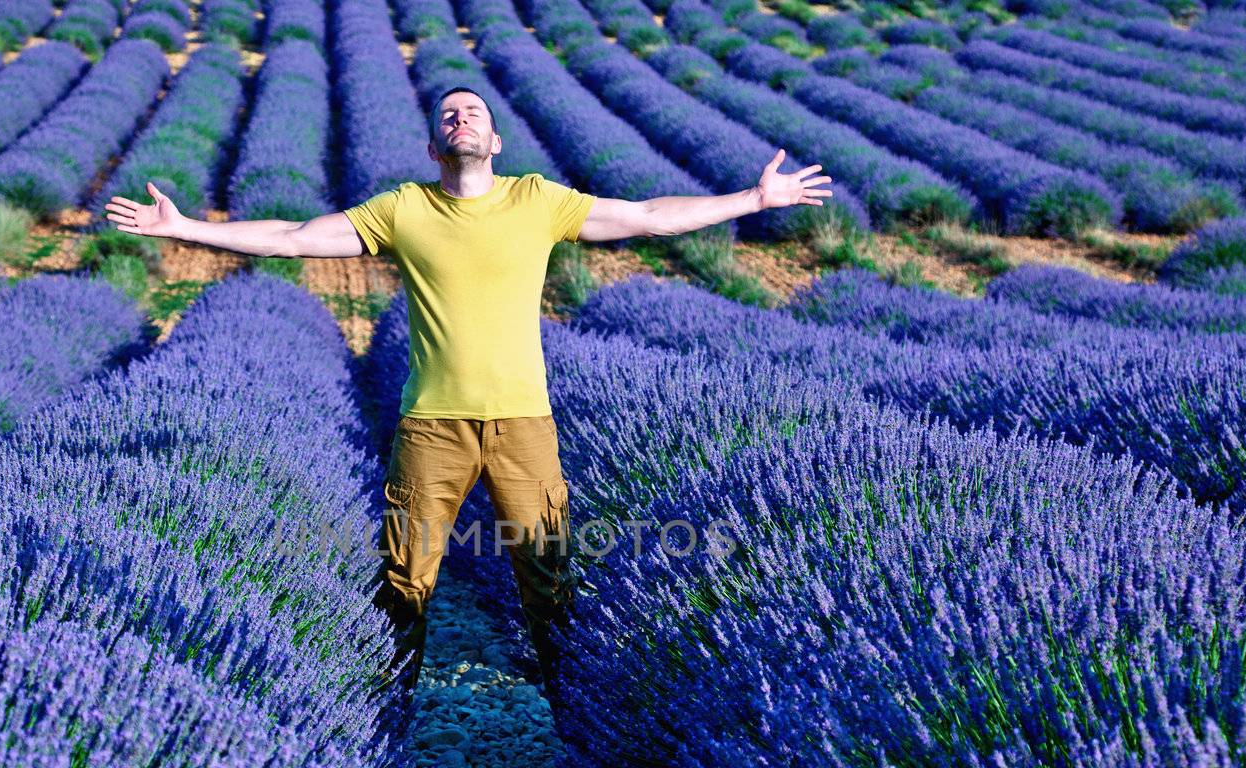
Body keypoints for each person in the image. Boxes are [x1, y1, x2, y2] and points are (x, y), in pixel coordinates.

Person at [104, 85, 834, 710]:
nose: (461, 119)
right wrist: (185, 228)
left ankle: (568, 710)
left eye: (473, 112)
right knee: (404, 574)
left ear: (497, 138)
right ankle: (384, 714)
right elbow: (297, 236)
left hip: (523, 424)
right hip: (432, 427)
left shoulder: (536, 201)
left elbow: (646, 217)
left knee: (549, 572)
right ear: (433, 147)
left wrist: (753, 198)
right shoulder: (404, 209)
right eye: (449, 115)